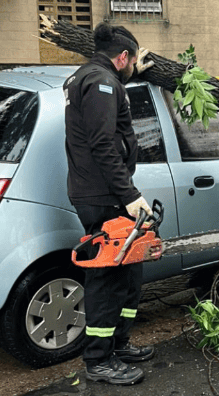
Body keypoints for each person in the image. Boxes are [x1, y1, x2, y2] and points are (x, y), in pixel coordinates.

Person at [64, 22, 155, 385]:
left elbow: (102, 112)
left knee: (130, 269)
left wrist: (128, 81)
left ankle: (119, 344)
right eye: (132, 61)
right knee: (107, 278)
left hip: (104, 191)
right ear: (122, 57)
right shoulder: (101, 83)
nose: (133, 65)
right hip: (102, 196)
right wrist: (130, 196)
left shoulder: (94, 79)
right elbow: (103, 143)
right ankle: (98, 361)